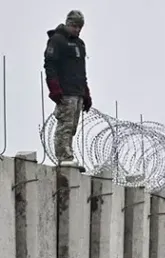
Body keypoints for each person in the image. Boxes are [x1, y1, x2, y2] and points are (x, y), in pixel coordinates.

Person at [43, 10, 92, 169]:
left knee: (72, 127)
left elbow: (81, 70)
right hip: (65, 91)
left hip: (77, 90)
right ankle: (64, 157)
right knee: (65, 125)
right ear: (68, 23)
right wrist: (54, 87)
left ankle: (68, 154)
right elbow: (50, 65)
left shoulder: (79, 44)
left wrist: (86, 92)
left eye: (80, 27)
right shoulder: (57, 40)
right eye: (74, 26)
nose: (77, 29)